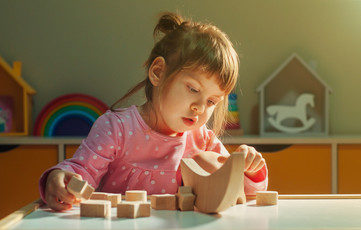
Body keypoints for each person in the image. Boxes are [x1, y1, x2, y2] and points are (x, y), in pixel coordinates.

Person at [39, 12, 268, 211]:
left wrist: (249, 170)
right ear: (158, 72)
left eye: (211, 102)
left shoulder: (203, 140)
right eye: (193, 89)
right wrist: (59, 178)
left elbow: (241, 193)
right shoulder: (117, 129)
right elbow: (81, 170)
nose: (199, 107)